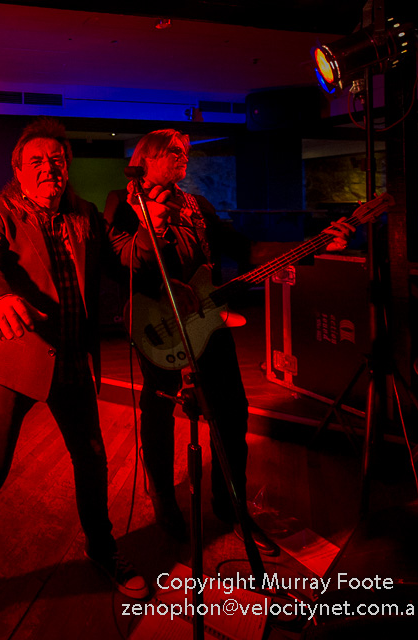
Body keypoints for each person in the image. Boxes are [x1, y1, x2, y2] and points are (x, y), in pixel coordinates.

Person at [0, 119, 149, 640]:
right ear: (19, 169)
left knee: (92, 459)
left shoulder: (85, 213)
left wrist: (151, 227)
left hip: (74, 359)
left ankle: (101, 548)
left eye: (56, 160)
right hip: (19, 358)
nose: (48, 168)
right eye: (37, 161)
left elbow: (124, 260)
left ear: (67, 167)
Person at [105, 129, 354, 551]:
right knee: (158, 406)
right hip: (156, 320)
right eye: (172, 151)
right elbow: (120, 264)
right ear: (145, 159)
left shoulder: (197, 205)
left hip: (210, 318)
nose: (182, 155)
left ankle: (230, 504)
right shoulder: (122, 202)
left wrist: (314, 243)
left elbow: (247, 249)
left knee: (233, 412)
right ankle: (162, 495)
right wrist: (158, 272)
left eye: (184, 151)